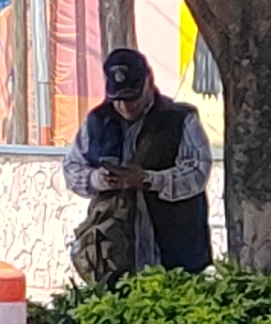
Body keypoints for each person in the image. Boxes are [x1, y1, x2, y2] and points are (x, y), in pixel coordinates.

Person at [64, 47, 213, 285]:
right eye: (119, 99)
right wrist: (98, 179)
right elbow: (72, 168)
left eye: (132, 97)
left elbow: (198, 172)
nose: (126, 107)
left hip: (175, 249)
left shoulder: (181, 118)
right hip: (114, 252)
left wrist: (149, 179)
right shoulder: (97, 121)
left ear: (149, 81)